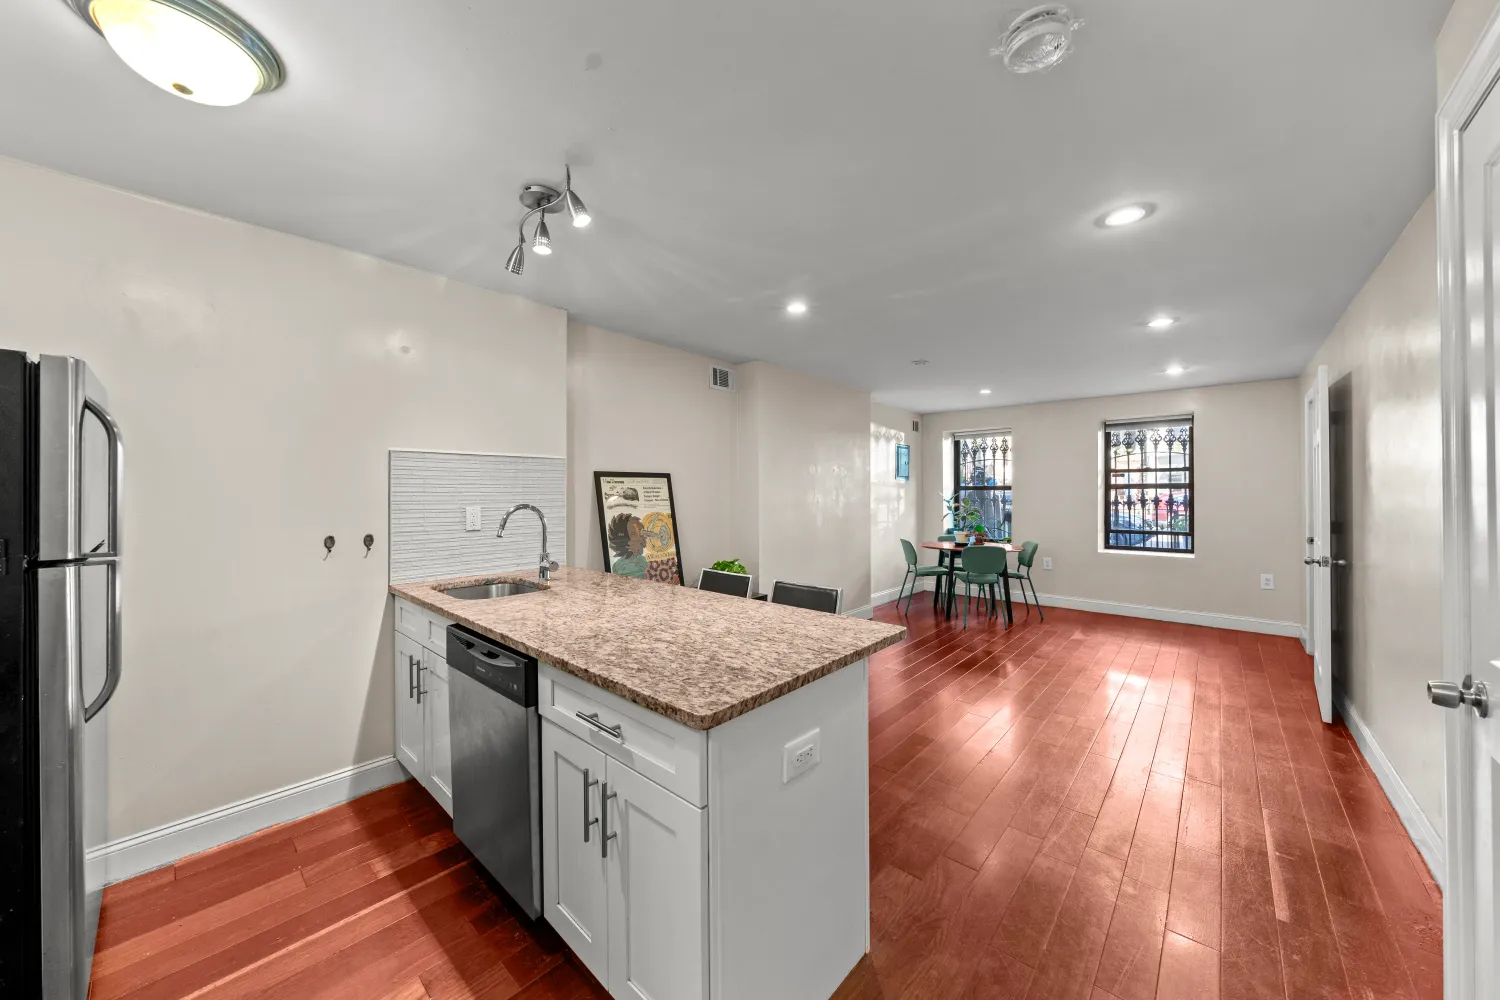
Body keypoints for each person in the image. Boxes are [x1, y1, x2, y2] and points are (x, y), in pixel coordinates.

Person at [607, 512, 647, 578]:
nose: (641, 537)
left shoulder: (616, 565)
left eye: (641, 532)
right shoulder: (641, 562)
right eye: (634, 534)